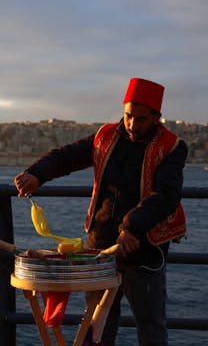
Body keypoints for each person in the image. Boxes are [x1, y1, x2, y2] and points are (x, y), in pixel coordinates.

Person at [14, 77, 188, 346]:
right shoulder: (105, 136)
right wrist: (37, 174)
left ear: (157, 117)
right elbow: (66, 157)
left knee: (150, 326)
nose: (132, 125)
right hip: (101, 249)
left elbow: (166, 195)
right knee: (97, 328)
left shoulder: (172, 146)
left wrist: (132, 227)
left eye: (140, 119)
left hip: (143, 248)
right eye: (128, 116)